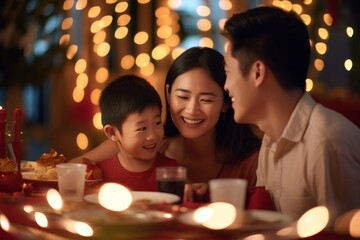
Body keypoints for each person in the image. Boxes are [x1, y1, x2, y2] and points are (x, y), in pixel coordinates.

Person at [222, 6, 360, 226]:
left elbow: (343, 231)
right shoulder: (270, 138)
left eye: (228, 72)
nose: (226, 86)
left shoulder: (328, 143)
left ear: (257, 73)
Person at [71, 47, 262, 201]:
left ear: (225, 104)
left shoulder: (251, 161)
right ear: (169, 94)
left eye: (206, 99)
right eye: (182, 96)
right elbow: (74, 168)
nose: (191, 110)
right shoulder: (143, 143)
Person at [95, 74, 178, 191]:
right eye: (142, 128)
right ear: (112, 133)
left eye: (157, 123)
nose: (153, 135)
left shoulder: (170, 170)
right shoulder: (100, 174)